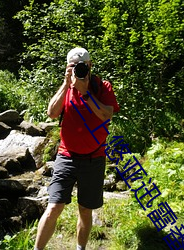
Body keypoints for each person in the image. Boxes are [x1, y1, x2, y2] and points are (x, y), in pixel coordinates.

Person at [34, 47, 120, 250]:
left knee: (85, 209)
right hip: (67, 156)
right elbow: (52, 113)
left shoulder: (102, 87)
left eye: (82, 66)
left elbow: (106, 115)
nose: (78, 69)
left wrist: (85, 93)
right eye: (72, 66)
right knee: (54, 205)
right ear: (67, 67)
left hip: (94, 157)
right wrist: (66, 85)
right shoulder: (66, 88)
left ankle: (80, 248)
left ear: (90, 66)